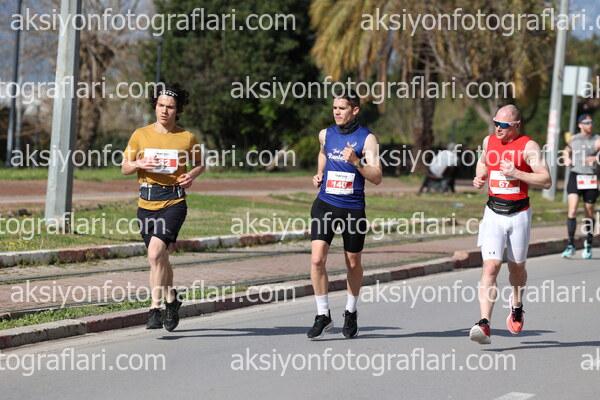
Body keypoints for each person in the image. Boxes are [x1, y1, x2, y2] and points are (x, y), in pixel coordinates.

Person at [121, 83, 204, 331]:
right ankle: (172, 299)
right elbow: (124, 168)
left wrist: (191, 175)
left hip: (174, 202)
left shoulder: (187, 137)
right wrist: (139, 163)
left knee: (155, 254)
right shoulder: (140, 135)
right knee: (161, 258)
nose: (164, 110)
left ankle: (154, 309)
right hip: (146, 203)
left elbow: (200, 163)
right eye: (160, 105)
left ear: (177, 110)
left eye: (170, 107)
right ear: (154, 106)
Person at [469, 105, 551, 344]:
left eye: (503, 125)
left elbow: (546, 180)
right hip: (493, 212)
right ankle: (484, 324)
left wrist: (517, 172)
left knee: (516, 268)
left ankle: (517, 305)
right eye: (496, 123)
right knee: (491, 266)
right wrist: (480, 176)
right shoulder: (489, 141)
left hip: (519, 214)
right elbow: (483, 162)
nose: (498, 128)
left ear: (516, 126)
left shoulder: (528, 146)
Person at [307, 89, 382, 340]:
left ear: (355, 110)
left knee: (352, 263)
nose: (337, 112)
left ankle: (350, 311)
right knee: (317, 260)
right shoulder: (325, 134)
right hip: (325, 204)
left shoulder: (367, 139)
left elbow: (377, 177)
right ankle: (323, 314)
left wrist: (356, 162)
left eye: (342, 108)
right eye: (334, 108)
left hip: (352, 209)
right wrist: (320, 173)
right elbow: (322, 153)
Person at [561, 114, 600, 259]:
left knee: (589, 212)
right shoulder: (574, 138)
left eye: (591, 122)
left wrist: (596, 157)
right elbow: (566, 151)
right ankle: (570, 244)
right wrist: (566, 158)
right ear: (580, 125)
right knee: (572, 210)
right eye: (587, 122)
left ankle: (588, 243)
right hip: (575, 176)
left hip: (590, 178)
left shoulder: (597, 139)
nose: (590, 124)